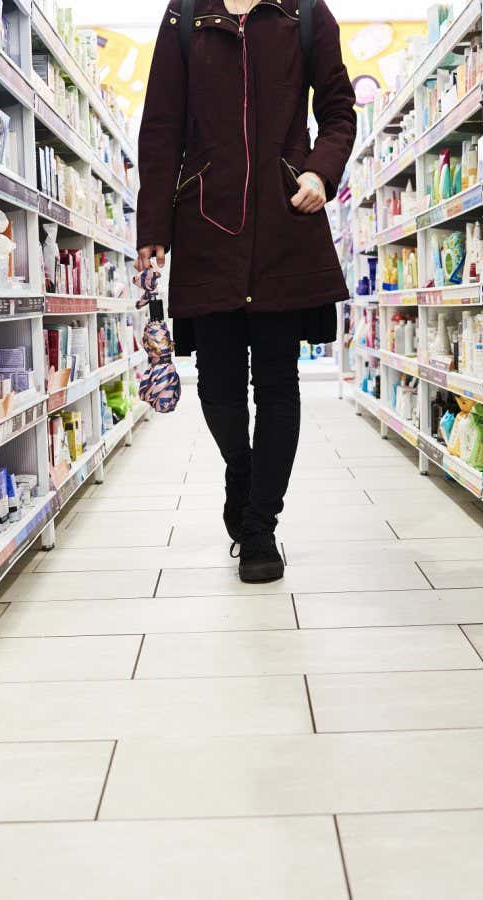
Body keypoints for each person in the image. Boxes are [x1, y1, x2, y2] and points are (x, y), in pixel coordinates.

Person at [136, 0, 356, 583]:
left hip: (286, 223)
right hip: (207, 226)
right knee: (218, 384)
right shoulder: (184, 16)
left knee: (279, 383)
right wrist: (153, 225)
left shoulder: (305, 14)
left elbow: (339, 110)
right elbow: (160, 125)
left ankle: (259, 526)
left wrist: (319, 170)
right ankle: (244, 473)